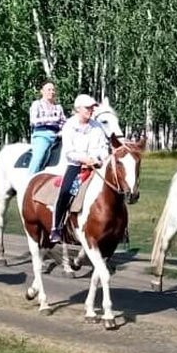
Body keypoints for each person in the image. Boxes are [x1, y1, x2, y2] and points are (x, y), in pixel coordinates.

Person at [50, 94, 111, 244]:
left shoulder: (97, 126)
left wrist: (98, 159)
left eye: (92, 108)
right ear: (78, 109)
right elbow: (69, 152)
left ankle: (118, 228)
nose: (91, 110)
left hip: (96, 165)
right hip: (75, 165)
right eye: (88, 108)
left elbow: (103, 147)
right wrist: (85, 159)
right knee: (65, 191)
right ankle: (56, 228)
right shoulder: (69, 126)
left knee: (114, 187)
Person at [28, 81, 66, 173]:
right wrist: (51, 119)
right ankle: (30, 178)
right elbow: (33, 121)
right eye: (49, 90)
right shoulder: (37, 104)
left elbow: (64, 121)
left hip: (57, 136)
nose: (51, 92)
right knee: (39, 157)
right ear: (42, 91)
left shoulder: (58, 107)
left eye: (53, 90)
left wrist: (62, 129)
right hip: (42, 135)